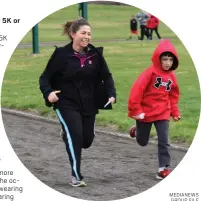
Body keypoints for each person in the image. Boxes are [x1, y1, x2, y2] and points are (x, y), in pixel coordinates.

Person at [39, 18, 116, 187]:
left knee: (86, 140)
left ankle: (67, 133)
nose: (87, 36)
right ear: (73, 34)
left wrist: (111, 93)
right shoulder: (61, 55)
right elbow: (44, 78)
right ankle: (76, 176)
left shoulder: (95, 54)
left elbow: (107, 76)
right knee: (76, 136)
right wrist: (48, 92)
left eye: (89, 33)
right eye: (83, 33)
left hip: (89, 103)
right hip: (65, 102)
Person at [128, 39, 181, 180]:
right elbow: (136, 91)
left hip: (163, 112)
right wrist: (136, 110)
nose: (167, 62)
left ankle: (163, 168)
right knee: (142, 141)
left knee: (164, 140)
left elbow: (173, 96)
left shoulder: (172, 76)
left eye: (170, 59)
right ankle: (137, 130)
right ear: (159, 59)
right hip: (146, 112)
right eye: (164, 59)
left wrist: (174, 111)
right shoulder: (149, 73)